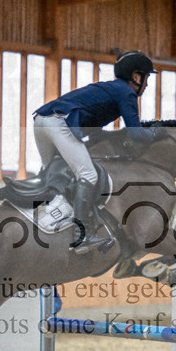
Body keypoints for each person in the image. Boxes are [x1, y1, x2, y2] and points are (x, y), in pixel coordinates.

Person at [32, 50, 158, 253]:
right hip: (59, 123)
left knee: (51, 172)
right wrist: (156, 134)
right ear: (136, 76)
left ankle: (40, 217)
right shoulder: (126, 93)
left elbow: (95, 132)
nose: (147, 84)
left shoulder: (109, 89)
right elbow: (136, 133)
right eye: (147, 78)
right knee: (88, 174)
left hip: (41, 120)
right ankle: (81, 236)